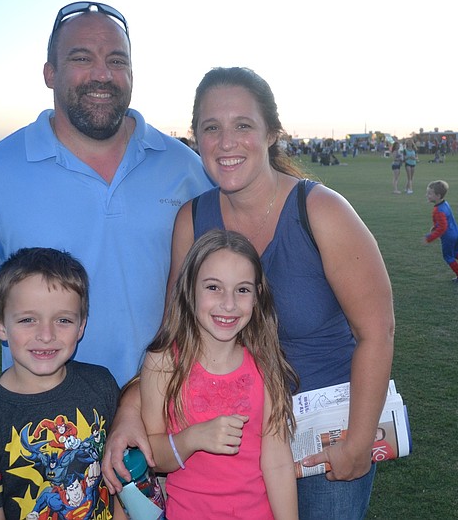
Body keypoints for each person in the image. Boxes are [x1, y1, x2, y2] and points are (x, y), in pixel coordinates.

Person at [0, 2, 212, 474]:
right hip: (45, 435)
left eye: (117, 60)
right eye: (81, 58)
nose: (102, 74)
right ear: (50, 72)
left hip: (171, 421)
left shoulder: (184, 168)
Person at [144, 67, 394, 519]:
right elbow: (173, 334)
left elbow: (377, 331)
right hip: (229, 436)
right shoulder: (192, 220)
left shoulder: (320, 211)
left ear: (272, 133)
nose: (226, 142)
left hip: (323, 435)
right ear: (195, 137)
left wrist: (358, 443)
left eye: (243, 125)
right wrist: (134, 407)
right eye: (211, 128)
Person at [0, 247, 127, 520]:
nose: (46, 335)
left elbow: (118, 485)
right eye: (27, 320)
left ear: (81, 327)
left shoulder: (101, 384)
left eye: (63, 320)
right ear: (0, 325)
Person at [140, 229, 299, 519]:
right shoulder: (163, 362)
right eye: (213, 287)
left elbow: (277, 462)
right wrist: (193, 438)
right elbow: (153, 454)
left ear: (257, 296)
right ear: (190, 288)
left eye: (242, 290)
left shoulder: (265, 364)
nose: (229, 304)